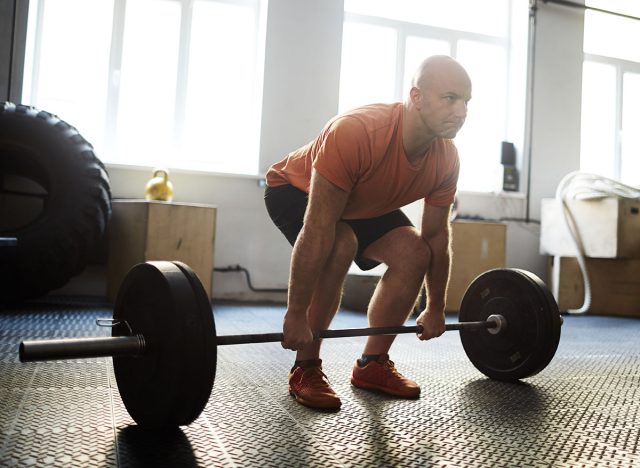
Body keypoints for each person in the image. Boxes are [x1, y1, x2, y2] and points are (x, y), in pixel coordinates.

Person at [263, 55, 472, 411]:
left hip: (363, 200)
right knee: (338, 242)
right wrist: (295, 313)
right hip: (295, 189)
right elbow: (318, 227)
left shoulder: (446, 159)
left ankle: (372, 364)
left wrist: (435, 307)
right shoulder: (357, 132)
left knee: (414, 252)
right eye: (450, 98)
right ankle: (306, 367)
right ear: (416, 96)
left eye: (466, 101)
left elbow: (437, 237)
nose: (461, 110)